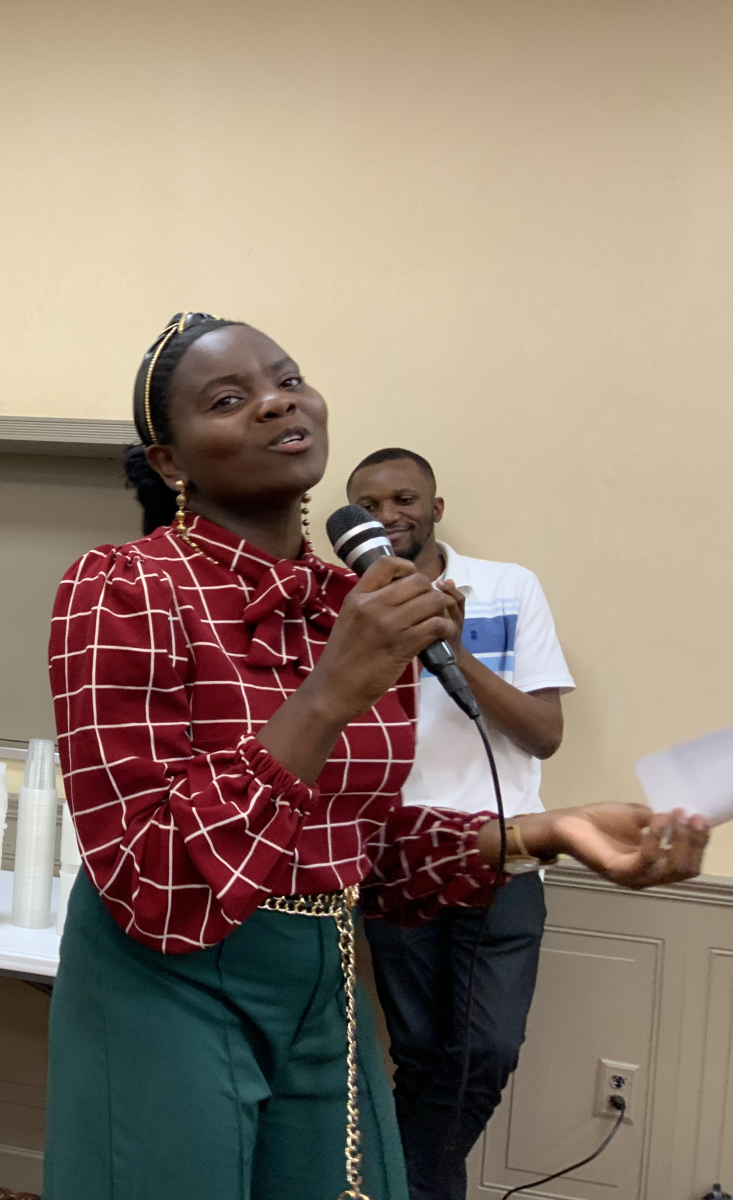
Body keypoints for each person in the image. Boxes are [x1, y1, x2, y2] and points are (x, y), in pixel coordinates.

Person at [45, 313, 708, 1200]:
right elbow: (151, 877)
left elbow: (365, 851)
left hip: (324, 984)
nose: (277, 402)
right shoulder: (122, 589)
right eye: (230, 399)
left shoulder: (349, 605)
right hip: (169, 981)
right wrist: (329, 693)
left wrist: (550, 832)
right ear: (170, 460)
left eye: (289, 379)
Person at [347, 447, 572, 1200]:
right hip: (396, 861)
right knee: (419, 1052)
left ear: (435, 508)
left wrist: (448, 645)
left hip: (506, 852)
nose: (387, 516)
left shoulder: (509, 587)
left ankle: (403, 1189)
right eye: (368, 506)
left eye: (404, 499)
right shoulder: (342, 610)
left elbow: (544, 733)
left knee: (488, 1051)